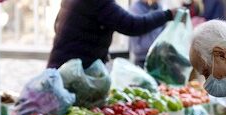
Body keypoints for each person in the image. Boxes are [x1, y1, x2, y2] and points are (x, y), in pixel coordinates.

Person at [47, 0, 176, 69]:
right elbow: (132, 25)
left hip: (61, 68)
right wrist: (168, 14)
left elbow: (57, 25)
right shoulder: (100, 2)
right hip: (74, 72)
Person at [129, 0, 166, 67]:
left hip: (157, 56)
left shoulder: (159, 7)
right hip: (142, 56)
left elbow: (162, 30)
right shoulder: (136, 8)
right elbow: (138, 28)